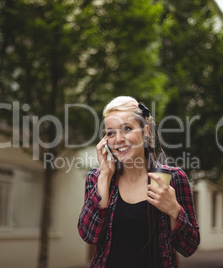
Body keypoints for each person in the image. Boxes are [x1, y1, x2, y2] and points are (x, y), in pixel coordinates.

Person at [78, 96, 200, 268]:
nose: (118, 139)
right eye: (110, 133)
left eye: (127, 129)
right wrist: (104, 176)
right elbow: (89, 236)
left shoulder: (172, 178)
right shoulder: (97, 179)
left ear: (146, 132)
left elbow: (189, 247)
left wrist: (174, 210)